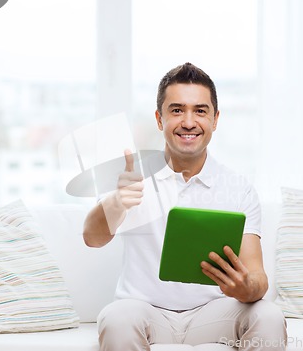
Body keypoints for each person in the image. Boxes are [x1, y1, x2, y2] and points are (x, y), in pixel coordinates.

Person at [83, 62, 287, 350]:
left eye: (200, 111)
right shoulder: (133, 177)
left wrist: (246, 288)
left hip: (215, 313)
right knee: (116, 318)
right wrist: (117, 202)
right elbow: (92, 238)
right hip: (145, 311)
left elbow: (257, 277)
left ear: (215, 119)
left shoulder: (238, 187)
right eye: (177, 110)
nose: (189, 122)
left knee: (268, 315)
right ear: (159, 119)